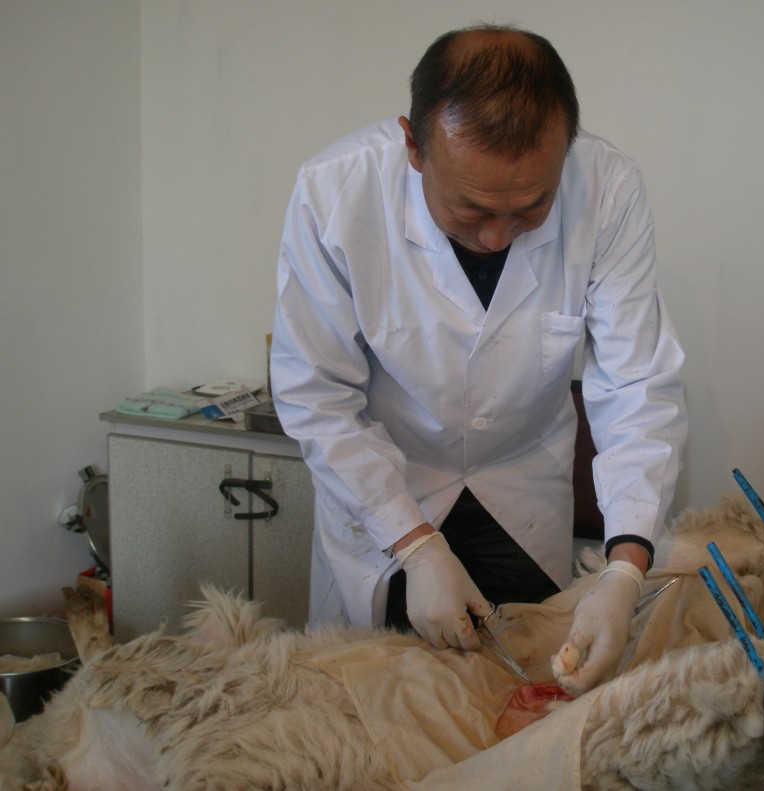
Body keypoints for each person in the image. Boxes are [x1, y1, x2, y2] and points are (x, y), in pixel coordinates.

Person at [270, 24, 687, 695]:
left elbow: (637, 386)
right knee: (374, 706)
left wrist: (625, 570)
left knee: (528, 700)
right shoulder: (334, 194)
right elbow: (317, 398)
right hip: (389, 492)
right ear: (414, 146)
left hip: (521, 490)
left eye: (530, 209)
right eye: (470, 209)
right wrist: (414, 545)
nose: (496, 237)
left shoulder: (607, 191)